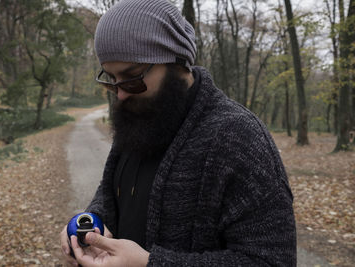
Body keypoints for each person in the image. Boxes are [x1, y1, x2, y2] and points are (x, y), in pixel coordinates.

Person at [60, 0, 297, 266]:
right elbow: (112, 190)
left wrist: (151, 264)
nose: (122, 94)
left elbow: (272, 260)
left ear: (177, 61)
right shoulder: (137, 114)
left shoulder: (238, 136)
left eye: (133, 77)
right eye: (112, 80)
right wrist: (91, 225)